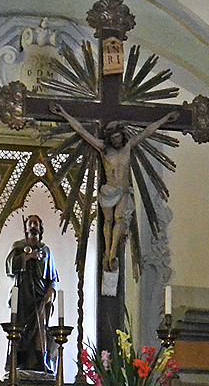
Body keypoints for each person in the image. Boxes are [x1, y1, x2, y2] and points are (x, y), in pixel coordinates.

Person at [52, 105, 179, 271]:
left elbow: (147, 131)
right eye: (114, 138)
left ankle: (112, 254)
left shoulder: (128, 148)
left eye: (118, 137)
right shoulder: (104, 149)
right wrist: (64, 113)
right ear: (110, 139)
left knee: (119, 219)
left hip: (123, 190)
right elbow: (82, 131)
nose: (117, 140)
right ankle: (106, 252)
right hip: (109, 190)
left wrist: (165, 119)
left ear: (122, 136)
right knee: (109, 220)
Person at [5, 216, 58, 374]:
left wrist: (50, 293)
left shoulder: (46, 251)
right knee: (21, 330)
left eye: (36, 223)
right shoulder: (19, 247)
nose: (33, 226)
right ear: (26, 227)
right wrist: (27, 257)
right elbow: (9, 267)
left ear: (41, 228)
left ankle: (41, 360)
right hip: (23, 298)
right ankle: (19, 361)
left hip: (41, 297)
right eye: (30, 223)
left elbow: (53, 278)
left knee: (41, 327)